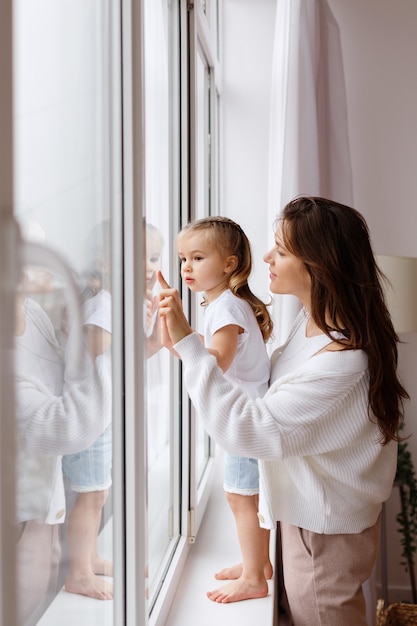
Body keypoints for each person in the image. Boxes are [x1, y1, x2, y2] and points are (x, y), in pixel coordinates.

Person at [157, 196, 409, 625]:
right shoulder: (314, 323)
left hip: (326, 535)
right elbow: (274, 395)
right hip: (307, 517)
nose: (268, 257)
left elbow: (253, 430)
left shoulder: (342, 361)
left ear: (319, 265)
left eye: (283, 250)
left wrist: (187, 343)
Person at [175, 216, 274, 603]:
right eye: (183, 258)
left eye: (198, 258)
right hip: (247, 417)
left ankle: (253, 578)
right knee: (248, 496)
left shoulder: (227, 309)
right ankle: (258, 564)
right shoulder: (225, 305)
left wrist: (182, 335)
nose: (186, 267)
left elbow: (217, 362)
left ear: (229, 264)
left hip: (244, 421)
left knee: (240, 497)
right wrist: (183, 340)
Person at [14, 236, 112, 624]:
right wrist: (106, 353)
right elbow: (68, 427)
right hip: (20, 522)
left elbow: (65, 381)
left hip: (43, 510)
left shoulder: (32, 312)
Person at [62, 220, 113, 601]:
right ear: (106, 263)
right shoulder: (104, 304)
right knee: (90, 495)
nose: (149, 266)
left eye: (154, 257)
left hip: (97, 415)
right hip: (87, 417)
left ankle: (91, 557)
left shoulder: (108, 302)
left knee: (99, 491)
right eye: (142, 257)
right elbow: (95, 350)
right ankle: (79, 573)